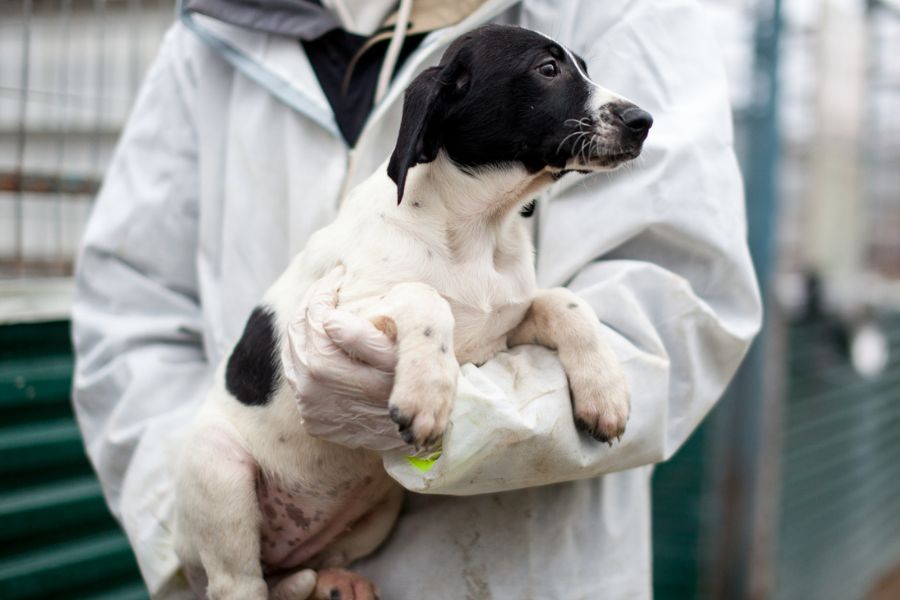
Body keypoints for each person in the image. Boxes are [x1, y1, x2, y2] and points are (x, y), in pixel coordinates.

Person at [71, 0, 762, 597]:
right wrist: (208, 546)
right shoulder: (213, 24)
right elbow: (129, 314)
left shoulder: (625, 15)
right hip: (257, 500)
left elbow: (680, 306)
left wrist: (481, 417)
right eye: (553, 72)